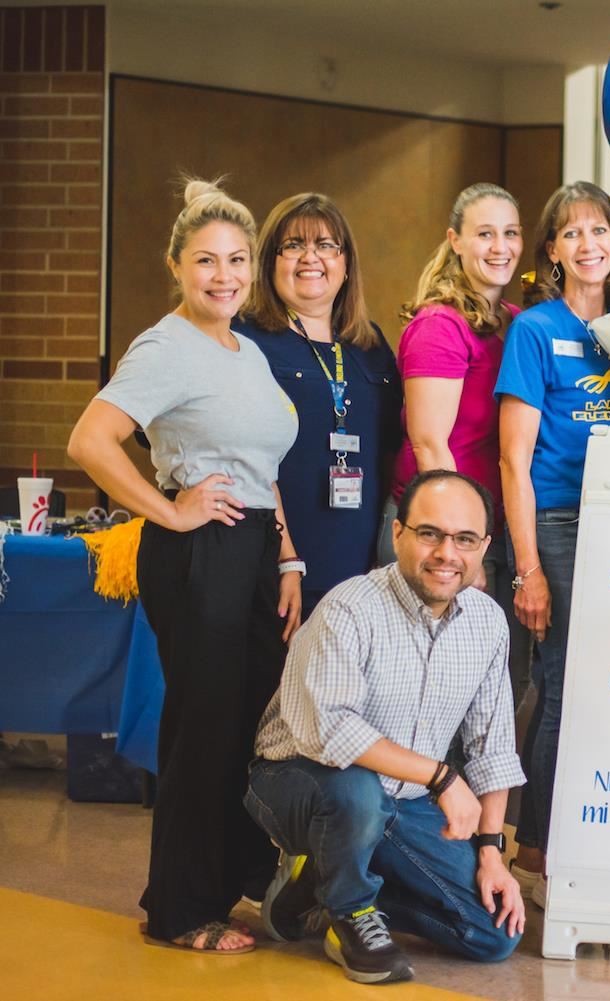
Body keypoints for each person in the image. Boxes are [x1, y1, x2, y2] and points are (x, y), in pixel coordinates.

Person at [67, 178, 301, 954]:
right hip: (201, 550)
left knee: (247, 726)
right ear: (177, 265)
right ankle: (178, 908)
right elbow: (90, 440)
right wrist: (167, 509)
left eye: (237, 259)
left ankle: (228, 881)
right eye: (206, 261)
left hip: (256, 549)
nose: (225, 275)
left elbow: (261, 463)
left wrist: (289, 554)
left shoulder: (248, 348)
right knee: (202, 729)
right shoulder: (165, 345)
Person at [245, 470, 525, 985]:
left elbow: (492, 746)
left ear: (484, 546)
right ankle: (351, 912)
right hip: (299, 781)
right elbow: (330, 733)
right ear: (398, 533)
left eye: (464, 539)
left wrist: (491, 852)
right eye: (429, 534)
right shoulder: (349, 608)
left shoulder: (487, 622)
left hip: (404, 802)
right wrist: (441, 777)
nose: (447, 553)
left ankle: (324, 883)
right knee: (358, 792)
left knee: (493, 933)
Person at [496, 181, 610, 903]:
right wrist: (528, 571)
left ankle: (581, 837)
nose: (588, 244)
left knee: (601, 685)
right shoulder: (534, 329)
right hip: (557, 524)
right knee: (560, 682)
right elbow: (512, 459)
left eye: (599, 230)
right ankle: (535, 849)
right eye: (572, 233)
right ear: (551, 250)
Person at [238, 192, 402, 612]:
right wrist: (285, 556)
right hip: (273, 559)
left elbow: (390, 449)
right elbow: (242, 459)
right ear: (270, 262)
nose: (310, 258)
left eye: (326, 245)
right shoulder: (245, 339)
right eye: (293, 245)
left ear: (346, 264)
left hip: (360, 559)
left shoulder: (370, 345)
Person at [383, 183, 524, 592]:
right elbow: (429, 445)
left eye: (510, 232)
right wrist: (460, 546)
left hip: (485, 526)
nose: (500, 247)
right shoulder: (439, 327)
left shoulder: (515, 321)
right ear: (455, 241)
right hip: (437, 534)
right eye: (485, 234)